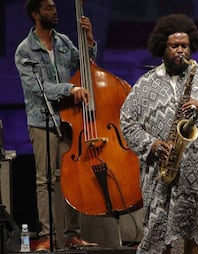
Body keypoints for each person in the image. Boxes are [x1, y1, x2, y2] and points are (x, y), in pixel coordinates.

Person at [120, 13, 198, 254]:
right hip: (162, 176)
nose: (180, 51)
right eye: (175, 46)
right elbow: (127, 122)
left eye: (185, 46)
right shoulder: (145, 84)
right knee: (157, 239)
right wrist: (151, 144)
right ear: (163, 47)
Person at [14, 0, 98, 251]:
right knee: (45, 180)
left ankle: (73, 234)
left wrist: (89, 42)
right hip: (42, 120)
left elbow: (85, 66)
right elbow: (37, 88)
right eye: (48, 8)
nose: (55, 11)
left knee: (73, 177)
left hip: (68, 119)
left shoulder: (63, 42)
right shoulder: (25, 51)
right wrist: (70, 89)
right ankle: (48, 235)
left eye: (54, 7)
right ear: (35, 14)